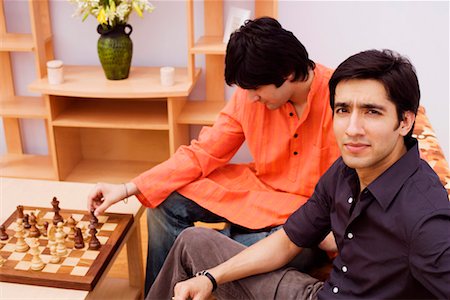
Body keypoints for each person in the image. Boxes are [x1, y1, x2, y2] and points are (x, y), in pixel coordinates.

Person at [148, 49, 450, 300]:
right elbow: (288, 241)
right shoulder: (344, 172)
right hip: (318, 293)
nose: (352, 129)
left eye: (372, 112)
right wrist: (211, 279)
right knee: (192, 241)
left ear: (405, 121)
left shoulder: (425, 216)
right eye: (343, 110)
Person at [87, 17, 340, 295]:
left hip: (303, 221)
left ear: (288, 73)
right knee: (165, 201)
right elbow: (203, 152)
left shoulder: (343, 100)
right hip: (257, 195)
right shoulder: (248, 96)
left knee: (284, 252)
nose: (252, 98)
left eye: (256, 90)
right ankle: (161, 292)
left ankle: (202, 251)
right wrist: (125, 189)